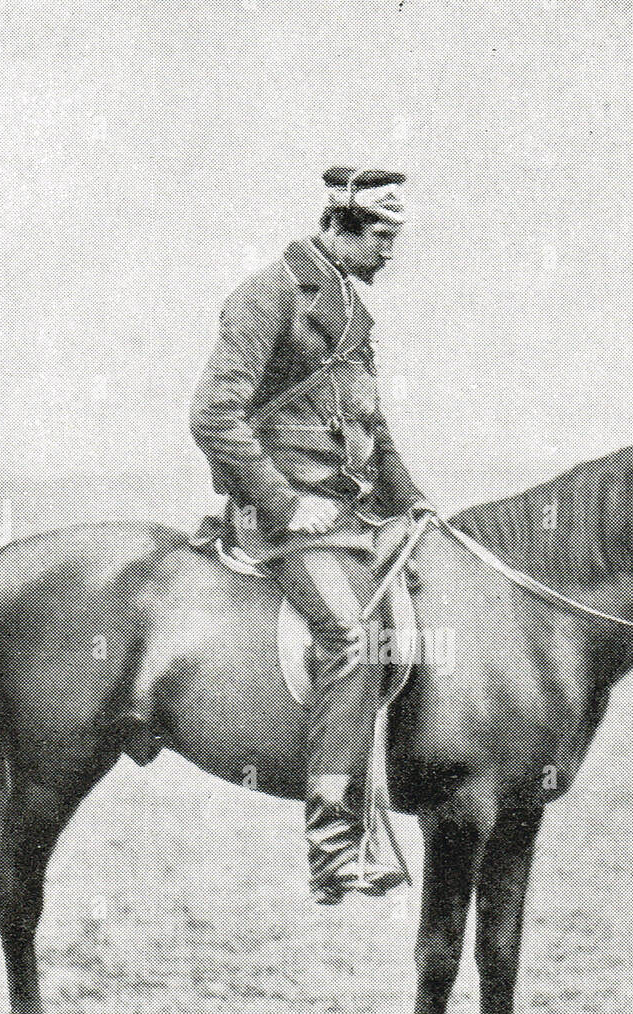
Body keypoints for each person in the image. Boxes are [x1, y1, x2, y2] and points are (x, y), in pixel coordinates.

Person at [189, 167, 433, 904]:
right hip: (285, 525)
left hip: (351, 520)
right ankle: (333, 842)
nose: (392, 251)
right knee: (351, 637)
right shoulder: (268, 295)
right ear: (341, 226)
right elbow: (212, 416)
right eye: (384, 236)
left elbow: (371, 427)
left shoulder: (352, 310)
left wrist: (413, 500)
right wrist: (283, 502)